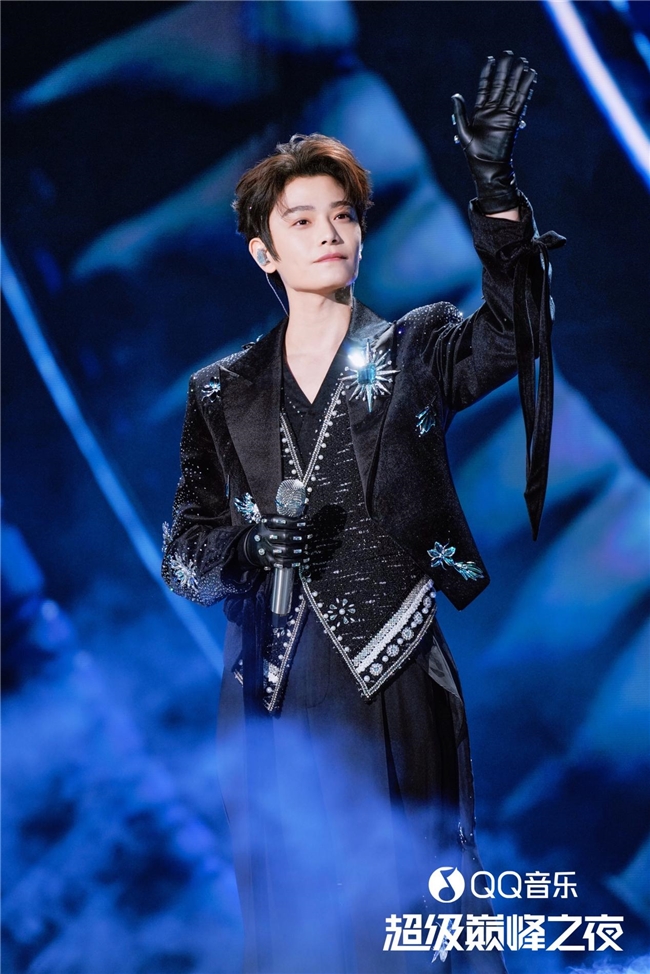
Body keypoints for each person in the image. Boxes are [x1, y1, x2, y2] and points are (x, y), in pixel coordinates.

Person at [162, 51, 564, 974]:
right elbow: (183, 551)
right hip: (268, 688)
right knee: (301, 925)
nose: (329, 233)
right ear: (264, 252)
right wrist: (246, 549)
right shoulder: (220, 390)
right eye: (302, 219)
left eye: (343, 215)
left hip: (392, 667)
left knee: (419, 903)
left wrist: (494, 185)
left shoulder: (415, 347)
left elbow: (515, 333)